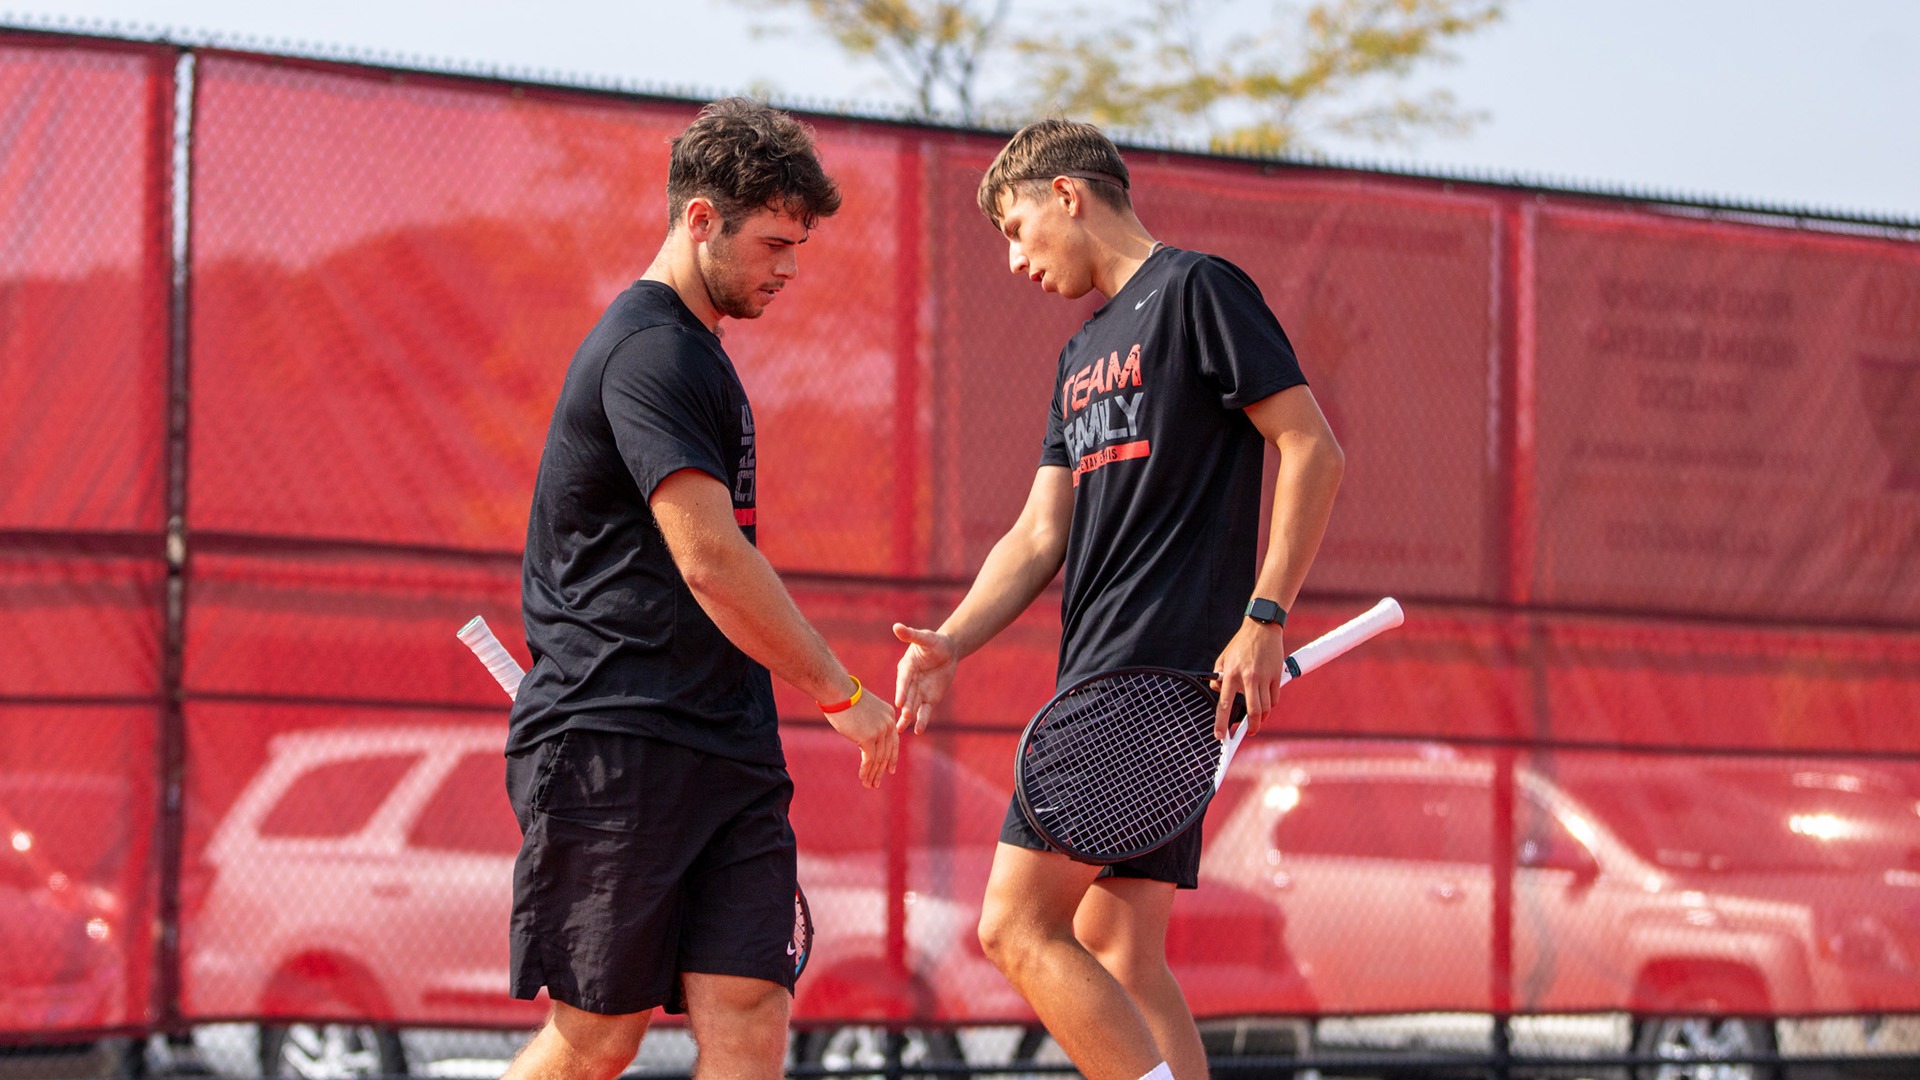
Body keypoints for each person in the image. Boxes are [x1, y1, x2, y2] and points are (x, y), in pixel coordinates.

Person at [891, 119, 1345, 1080]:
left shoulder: (1197, 291)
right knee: (1119, 950)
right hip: (1103, 682)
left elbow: (1312, 447)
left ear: (1067, 194)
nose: (1015, 260)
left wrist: (1265, 616)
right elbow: (1039, 534)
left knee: (1014, 925)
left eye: (1016, 229)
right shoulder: (1079, 354)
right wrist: (951, 641)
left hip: (1152, 685)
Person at [502, 98, 898, 1080]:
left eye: (800, 245)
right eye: (774, 243)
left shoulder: (697, 354)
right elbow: (712, 560)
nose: (790, 268)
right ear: (700, 219)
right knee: (599, 1039)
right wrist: (842, 693)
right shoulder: (651, 351)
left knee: (752, 1013)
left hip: (727, 742)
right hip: (619, 739)